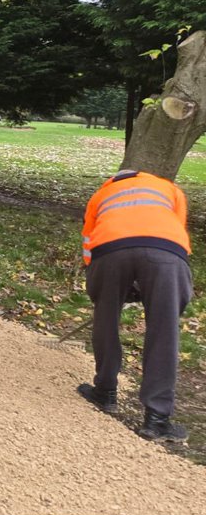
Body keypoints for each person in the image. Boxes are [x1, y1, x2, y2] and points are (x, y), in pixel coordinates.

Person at [77, 168, 194, 441]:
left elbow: (88, 243)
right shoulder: (169, 190)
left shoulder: (100, 195)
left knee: (105, 320)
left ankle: (105, 392)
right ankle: (157, 419)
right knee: (164, 330)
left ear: (114, 180)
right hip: (167, 254)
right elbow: (176, 232)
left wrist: (103, 287)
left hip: (109, 253)